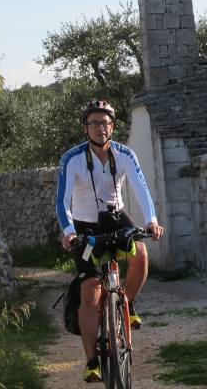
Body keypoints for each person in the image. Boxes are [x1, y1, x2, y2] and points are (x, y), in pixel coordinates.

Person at [56, 99, 165, 383]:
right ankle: (92, 360)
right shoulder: (72, 159)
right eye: (94, 123)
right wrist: (68, 230)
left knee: (140, 254)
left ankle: (125, 305)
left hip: (116, 217)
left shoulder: (125, 154)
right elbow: (62, 201)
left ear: (112, 126)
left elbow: (141, 189)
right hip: (84, 225)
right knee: (90, 291)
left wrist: (151, 220)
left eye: (105, 123)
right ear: (85, 128)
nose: (100, 128)